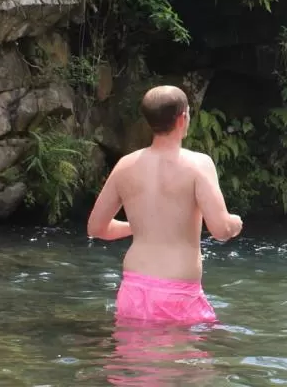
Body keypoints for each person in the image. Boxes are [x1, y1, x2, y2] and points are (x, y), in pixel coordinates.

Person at [87, 85, 243, 325]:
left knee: (136, 361)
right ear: (182, 118)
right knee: (183, 362)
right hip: (178, 295)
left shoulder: (125, 166)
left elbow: (96, 228)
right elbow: (220, 230)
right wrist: (234, 223)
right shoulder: (198, 165)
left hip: (133, 290)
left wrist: (141, 227)